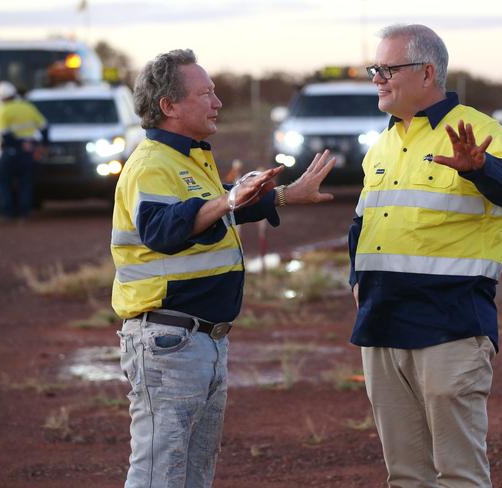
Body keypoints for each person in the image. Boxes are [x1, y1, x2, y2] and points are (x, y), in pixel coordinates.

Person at [111, 48, 335, 488]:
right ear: (169, 106)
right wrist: (226, 200)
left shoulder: (189, 159)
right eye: (206, 93)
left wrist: (285, 194)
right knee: (159, 472)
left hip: (202, 341)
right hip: (168, 343)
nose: (217, 103)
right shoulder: (152, 163)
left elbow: (223, 206)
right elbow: (163, 229)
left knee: (193, 473)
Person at [348, 24, 502, 487]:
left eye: (387, 68)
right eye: (374, 68)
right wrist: (356, 280)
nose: (377, 77)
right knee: (405, 476)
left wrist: (482, 168)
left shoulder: (476, 131)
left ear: (427, 71)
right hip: (382, 328)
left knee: (458, 475)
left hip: (449, 328)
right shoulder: (384, 142)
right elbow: (363, 222)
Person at [0, 80, 48, 222]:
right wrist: (43, 145)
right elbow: (44, 127)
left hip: (11, 152)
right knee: (26, 183)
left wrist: (18, 145)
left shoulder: (3, 110)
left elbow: (4, 135)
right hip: (28, 152)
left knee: (3, 182)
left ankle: (7, 213)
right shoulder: (27, 107)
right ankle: (24, 213)